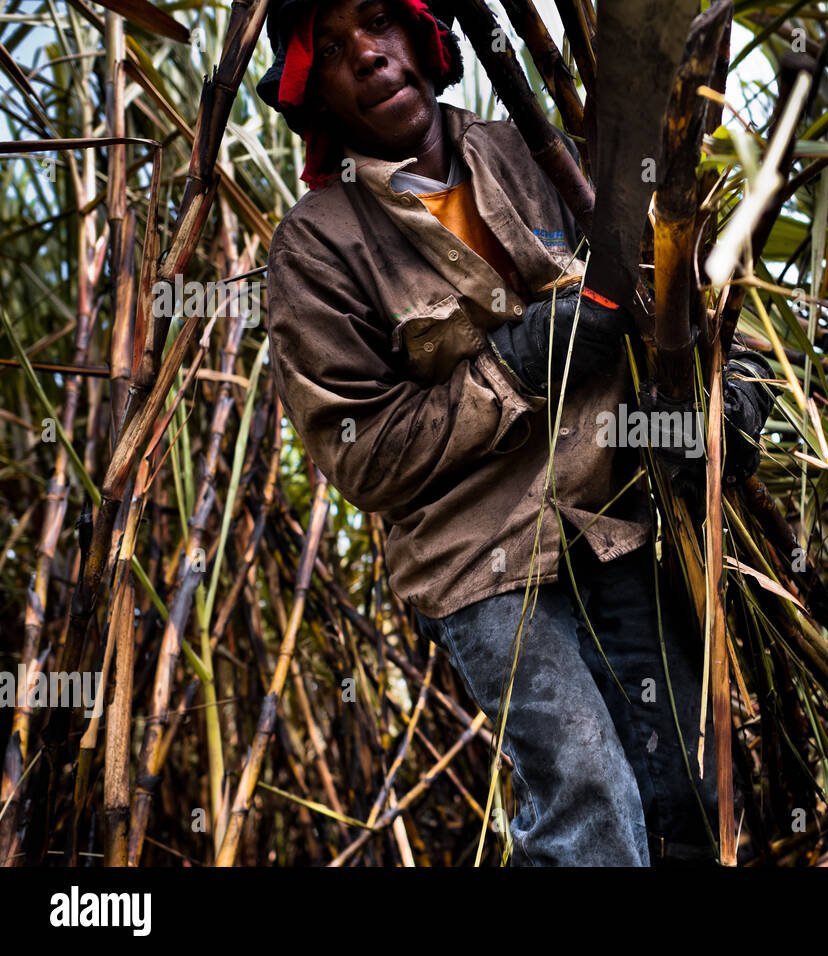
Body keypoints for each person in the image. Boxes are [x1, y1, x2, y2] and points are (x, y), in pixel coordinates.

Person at [257, 0, 774, 865]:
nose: (371, 57)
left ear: (424, 36)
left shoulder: (541, 155)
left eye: (381, 22)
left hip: (615, 523)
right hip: (480, 561)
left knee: (694, 787)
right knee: (591, 802)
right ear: (316, 93)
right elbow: (365, 455)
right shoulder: (318, 250)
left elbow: (712, 319)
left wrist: (717, 424)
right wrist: (532, 356)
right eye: (337, 50)